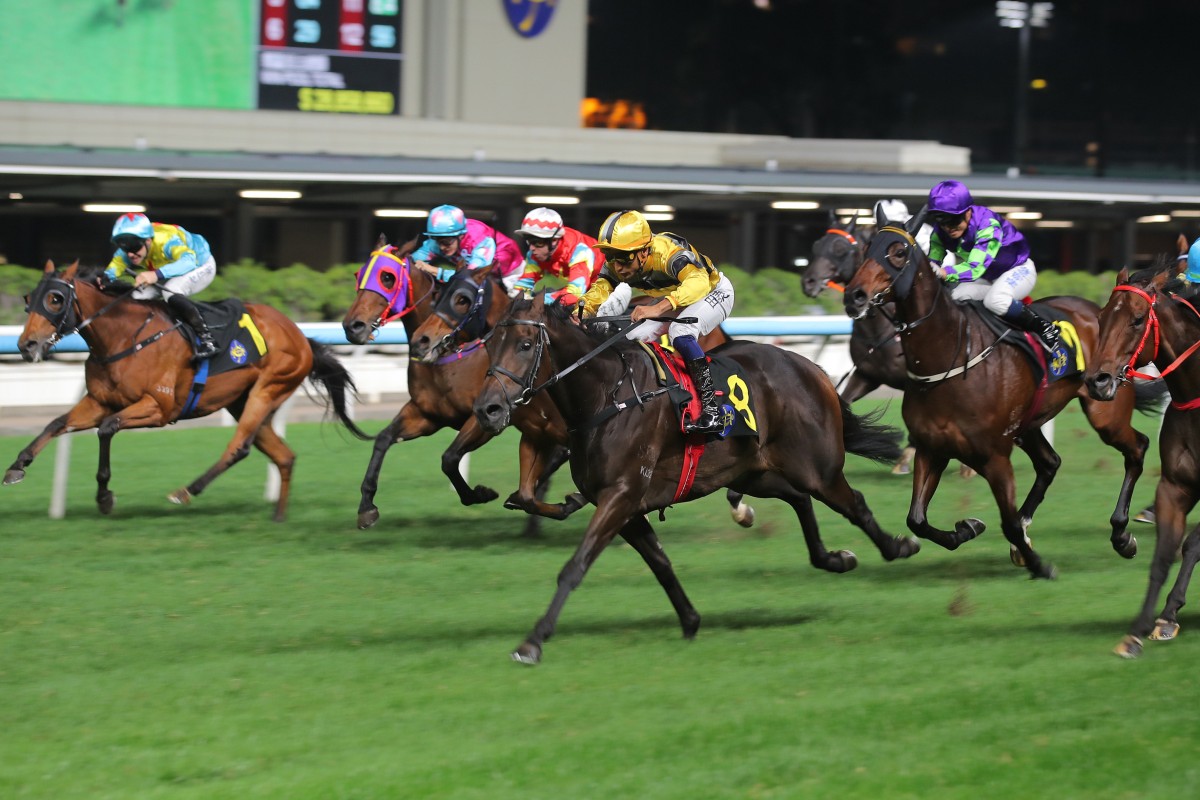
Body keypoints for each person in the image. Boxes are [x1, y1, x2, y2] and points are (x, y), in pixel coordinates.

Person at [579, 209, 735, 436]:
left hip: (712, 291)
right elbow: (599, 291)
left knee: (680, 332)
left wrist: (657, 308)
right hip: (677, 295)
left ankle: (712, 408)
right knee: (632, 339)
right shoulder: (617, 264)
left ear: (644, 252)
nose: (617, 266)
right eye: (610, 257)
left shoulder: (668, 253)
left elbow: (698, 283)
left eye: (623, 258)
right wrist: (581, 310)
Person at [925, 180, 1060, 353]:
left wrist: (944, 272)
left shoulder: (987, 225)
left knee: (995, 300)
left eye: (953, 220)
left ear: (968, 212)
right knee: (956, 297)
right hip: (989, 278)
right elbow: (932, 262)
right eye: (942, 221)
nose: (948, 227)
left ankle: (1045, 328)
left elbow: (974, 268)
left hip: (1018, 270)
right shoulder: (940, 232)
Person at [105, 212, 218, 359]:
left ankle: (207, 339)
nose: (130, 254)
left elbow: (188, 261)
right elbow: (116, 264)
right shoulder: (131, 247)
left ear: (148, 241)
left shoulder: (167, 240)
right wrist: (105, 278)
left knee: (171, 290)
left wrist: (155, 275)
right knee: (138, 296)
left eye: (134, 246)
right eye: (125, 248)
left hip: (199, 264)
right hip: (167, 270)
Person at [410, 204, 524, 291]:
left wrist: (433, 270)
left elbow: (471, 277)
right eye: (438, 241)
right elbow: (412, 259)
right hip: (485, 273)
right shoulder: (445, 238)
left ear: (461, 235)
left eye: (446, 242)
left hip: (510, 274)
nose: (442, 247)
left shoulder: (480, 240)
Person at [507, 207, 606, 306]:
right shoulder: (535, 253)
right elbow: (526, 282)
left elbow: (575, 293)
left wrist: (538, 301)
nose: (532, 248)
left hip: (604, 283)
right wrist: (516, 296)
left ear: (554, 240)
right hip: (571, 281)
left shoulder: (580, 252)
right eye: (529, 241)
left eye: (538, 242)